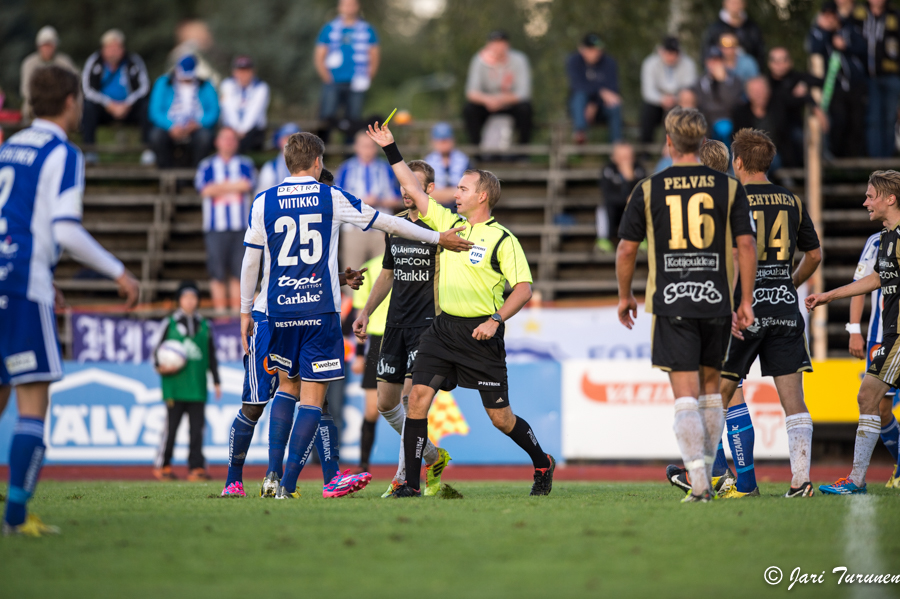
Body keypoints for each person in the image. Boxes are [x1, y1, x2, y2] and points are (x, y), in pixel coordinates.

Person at [239, 131, 474, 499]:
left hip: (279, 309)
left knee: (287, 388)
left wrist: (244, 309)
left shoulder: (263, 200)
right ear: (318, 162)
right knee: (316, 400)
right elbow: (386, 222)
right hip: (320, 309)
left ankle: (272, 477)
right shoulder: (329, 196)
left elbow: (251, 259)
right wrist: (436, 238)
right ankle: (289, 485)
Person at [366, 120, 557, 498]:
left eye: (464, 189)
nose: (456, 194)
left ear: (482, 196)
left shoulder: (503, 239)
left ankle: (541, 461)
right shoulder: (450, 225)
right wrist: (391, 149)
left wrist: (495, 319)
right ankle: (409, 484)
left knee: (500, 418)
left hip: (480, 334)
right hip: (442, 330)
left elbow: (523, 289)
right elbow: (414, 191)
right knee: (417, 399)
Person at [0, 66, 140, 536]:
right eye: (78, 99)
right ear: (67, 102)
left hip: (8, 273)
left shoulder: (10, 146)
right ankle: (17, 519)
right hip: (21, 282)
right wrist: (118, 271)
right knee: (32, 403)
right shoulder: (62, 151)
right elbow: (63, 227)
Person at [615, 107, 758, 502]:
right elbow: (746, 244)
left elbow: (627, 249)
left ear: (669, 141)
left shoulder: (648, 187)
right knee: (712, 393)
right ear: (700, 141)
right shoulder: (728, 188)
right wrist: (744, 299)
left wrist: (626, 295)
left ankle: (699, 482)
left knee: (685, 395)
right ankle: (709, 476)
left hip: (672, 301)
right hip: (715, 301)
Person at [222, 168, 368, 497]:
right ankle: (243, 479)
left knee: (314, 398)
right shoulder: (289, 208)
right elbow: (264, 265)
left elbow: (301, 267)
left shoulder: (299, 213)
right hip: (269, 315)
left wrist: (342, 279)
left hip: (295, 312)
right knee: (256, 403)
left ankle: (308, 478)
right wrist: (245, 310)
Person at [715, 129, 822, 498]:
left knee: (720, 393)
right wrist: (789, 283)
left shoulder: (731, 198)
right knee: (794, 400)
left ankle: (733, 480)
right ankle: (800, 481)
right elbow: (815, 255)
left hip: (744, 309)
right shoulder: (792, 200)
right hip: (783, 309)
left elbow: (731, 256)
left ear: (738, 161)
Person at [351, 160, 453, 497]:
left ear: (429, 190)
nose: (405, 192)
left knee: (411, 402)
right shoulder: (394, 226)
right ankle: (433, 456)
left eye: (412, 186)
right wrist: (366, 310)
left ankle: (402, 478)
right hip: (393, 325)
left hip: (427, 326)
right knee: (385, 404)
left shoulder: (442, 229)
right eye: (402, 186)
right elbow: (387, 274)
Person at [807, 170, 900, 494]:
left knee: (868, 397)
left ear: (890, 199)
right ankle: (857, 479)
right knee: (870, 398)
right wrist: (828, 296)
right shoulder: (887, 239)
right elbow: (874, 280)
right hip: (891, 337)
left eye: (870, 196)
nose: (865, 202)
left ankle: (858, 479)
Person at [152, 281, 221, 482]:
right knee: (171, 428)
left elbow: (211, 355)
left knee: (197, 429)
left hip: (197, 386)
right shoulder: (169, 323)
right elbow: (155, 352)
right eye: (185, 297)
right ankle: (163, 465)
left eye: (193, 297)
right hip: (175, 385)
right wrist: (160, 366)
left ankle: (196, 467)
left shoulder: (205, 325)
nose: (190, 301)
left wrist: (216, 381)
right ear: (179, 300)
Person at [847, 229, 900, 488]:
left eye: (871, 196)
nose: (866, 203)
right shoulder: (877, 241)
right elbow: (863, 282)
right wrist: (854, 328)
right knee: (879, 407)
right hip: (881, 336)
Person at [195, 127, 256, 314]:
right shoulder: (207, 165)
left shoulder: (246, 163)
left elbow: (249, 185)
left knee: (239, 273)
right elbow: (204, 190)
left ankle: (238, 318)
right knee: (218, 273)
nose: (229, 142)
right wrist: (234, 186)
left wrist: (219, 187)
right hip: (216, 228)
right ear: (217, 142)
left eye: (232, 139)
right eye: (225, 138)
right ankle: (221, 317)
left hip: (240, 228)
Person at [80, 29, 151, 166]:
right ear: (103, 49)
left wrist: (127, 104)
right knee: (87, 107)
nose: (113, 51)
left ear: (122, 48)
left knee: (146, 106)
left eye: (117, 47)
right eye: (110, 48)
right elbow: (87, 89)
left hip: (129, 108)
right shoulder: (94, 61)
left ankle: (147, 152)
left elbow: (144, 87)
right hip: (104, 109)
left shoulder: (133, 61)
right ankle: (90, 153)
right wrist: (108, 104)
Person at [807, 1, 868, 158]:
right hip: (835, 87)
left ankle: (855, 160)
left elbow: (863, 49)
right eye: (826, 15)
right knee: (839, 122)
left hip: (855, 86)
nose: (829, 19)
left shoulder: (849, 29)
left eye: (832, 15)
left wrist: (845, 46)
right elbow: (814, 49)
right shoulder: (818, 32)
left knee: (857, 123)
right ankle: (838, 158)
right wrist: (827, 32)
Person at [314, 0, 380, 142]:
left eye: (352, 4)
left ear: (357, 6)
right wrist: (327, 78)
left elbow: (374, 56)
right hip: (333, 81)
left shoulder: (368, 29)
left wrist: (368, 77)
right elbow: (319, 55)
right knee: (326, 118)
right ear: (339, 6)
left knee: (354, 121)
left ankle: (349, 156)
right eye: (345, 4)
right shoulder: (329, 28)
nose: (348, 7)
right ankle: (320, 155)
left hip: (357, 82)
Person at [335, 130, 401, 269]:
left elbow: (397, 200)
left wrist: (379, 201)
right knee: (352, 274)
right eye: (364, 146)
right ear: (356, 147)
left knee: (383, 273)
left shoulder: (386, 168)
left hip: (381, 230)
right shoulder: (346, 168)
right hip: (353, 230)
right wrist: (362, 201)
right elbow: (336, 201)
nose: (368, 150)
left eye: (371, 146)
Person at [351, 252, 390, 473]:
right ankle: (363, 464)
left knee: (410, 406)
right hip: (376, 342)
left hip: (404, 337)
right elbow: (360, 313)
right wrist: (358, 354)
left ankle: (410, 466)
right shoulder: (371, 267)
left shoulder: (414, 262)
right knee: (372, 410)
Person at [148, 54, 219, 168]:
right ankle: (166, 173)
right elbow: (155, 111)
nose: (185, 79)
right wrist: (171, 126)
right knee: (156, 136)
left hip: (196, 128)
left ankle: (196, 173)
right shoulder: (163, 83)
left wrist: (198, 123)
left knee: (204, 138)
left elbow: (214, 112)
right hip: (169, 128)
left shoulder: (206, 85)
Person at [463, 30, 533, 146]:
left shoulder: (519, 59)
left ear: (508, 45)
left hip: (511, 104)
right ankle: (477, 153)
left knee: (525, 109)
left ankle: (522, 152)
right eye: (495, 43)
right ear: (488, 45)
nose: (498, 47)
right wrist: (488, 100)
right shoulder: (479, 60)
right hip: (487, 105)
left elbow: (523, 92)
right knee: (469, 110)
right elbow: (471, 92)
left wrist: (500, 100)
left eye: (501, 43)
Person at [766, 47, 826, 168]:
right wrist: (803, 97)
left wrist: (806, 89)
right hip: (771, 129)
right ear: (769, 64)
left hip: (793, 128)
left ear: (790, 62)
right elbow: (783, 99)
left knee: (801, 139)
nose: (780, 64)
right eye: (776, 61)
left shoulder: (796, 78)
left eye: (783, 60)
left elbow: (821, 81)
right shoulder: (766, 82)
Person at [565, 33, 622, 144]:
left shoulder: (609, 63)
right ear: (582, 49)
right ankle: (580, 132)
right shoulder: (574, 61)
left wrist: (595, 104)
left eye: (598, 49)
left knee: (615, 104)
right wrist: (600, 91)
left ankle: (617, 145)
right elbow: (577, 85)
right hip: (581, 109)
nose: (596, 53)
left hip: (602, 108)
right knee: (579, 96)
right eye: (591, 49)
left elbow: (613, 90)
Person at [639, 36, 698, 144]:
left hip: (677, 101)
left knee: (677, 114)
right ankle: (645, 150)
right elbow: (647, 91)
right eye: (668, 53)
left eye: (674, 53)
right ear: (661, 51)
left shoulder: (688, 64)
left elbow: (689, 87)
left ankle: (672, 147)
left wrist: (674, 99)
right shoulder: (649, 63)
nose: (671, 57)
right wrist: (662, 99)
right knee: (647, 113)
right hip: (656, 102)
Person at [861, 0, 900, 157]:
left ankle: (888, 158)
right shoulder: (859, 15)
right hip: (868, 76)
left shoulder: (895, 16)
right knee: (873, 119)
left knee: (891, 119)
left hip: (892, 76)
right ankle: (875, 160)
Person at [19, 26, 77, 122]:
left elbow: (74, 84)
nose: (47, 49)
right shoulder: (29, 63)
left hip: (59, 104)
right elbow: (26, 90)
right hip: (36, 104)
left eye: (50, 45)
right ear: (39, 46)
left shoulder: (64, 62)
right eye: (44, 45)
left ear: (55, 45)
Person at [596, 143, 646, 252]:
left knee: (643, 206)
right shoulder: (608, 170)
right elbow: (607, 195)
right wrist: (625, 199)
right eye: (622, 157)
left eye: (628, 157)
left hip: (633, 210)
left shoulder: (639, 169)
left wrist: (630, 179)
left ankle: (643, 239)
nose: (626, 161)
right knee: (603, 208)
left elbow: (643, 192)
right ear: (614, 157)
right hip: (615, 210)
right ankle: (605, 240)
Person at [218, 55, 270, 154]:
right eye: (240, 70)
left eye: (246, 70)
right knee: (226, 139)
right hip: (231, 129)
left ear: (253, 71)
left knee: (242, 142)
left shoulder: (261, 87)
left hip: (253, 131)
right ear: (234, 72)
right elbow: (229, 110)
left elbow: (254, 112)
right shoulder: (227, 85)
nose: (243, 74)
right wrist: (235, 131)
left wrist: (241, 130)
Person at [695, 46, 744, 143]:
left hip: (729, 119)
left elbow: (731, 103)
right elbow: (702, 104)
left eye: (717, 61)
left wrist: (722, 81)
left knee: (724, 128)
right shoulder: (701, 81)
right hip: (707, 119)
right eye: (711, 61)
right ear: (706, 63)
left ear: (723, 62)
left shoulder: (734, 80)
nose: (714, 64)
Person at [702, 0, 766, 66]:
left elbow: (760, 52)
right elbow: (707, 53)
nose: (735, 6)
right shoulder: (715, 28)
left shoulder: (752, 27)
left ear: (744, 4)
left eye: (738, 3)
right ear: (724, 4)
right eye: (732, 3)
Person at [423, 122, 471, 209]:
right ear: (433, 142)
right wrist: (455, 193)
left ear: (453, 140)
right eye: (440, 140)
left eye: (446, 140)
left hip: (461, 211)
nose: (443, 143)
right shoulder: (426, 163)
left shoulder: (464, 161)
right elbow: (424, 194)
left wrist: (439, 194)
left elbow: (469, 193)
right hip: (434, 211)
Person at [257, 123, 301, 195]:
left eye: (295, 139)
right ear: (279, 141)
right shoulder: (270, 167)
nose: (291, 143)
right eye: (287, 138)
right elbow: (263, 195)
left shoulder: (313, 164)